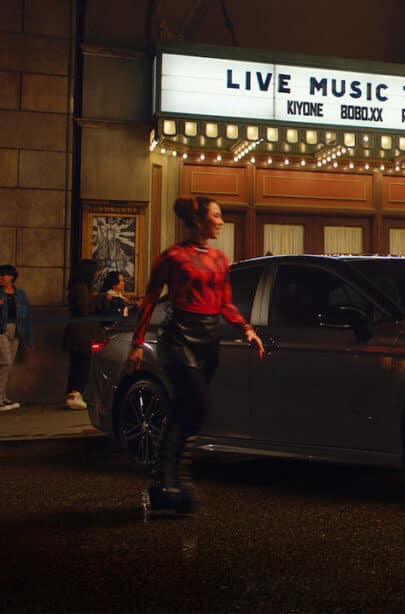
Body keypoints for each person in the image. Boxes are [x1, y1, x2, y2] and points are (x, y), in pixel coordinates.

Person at [128, 196, 264, 515]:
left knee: (184, 409)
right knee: (198, 404)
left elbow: (225, 302)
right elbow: (149, 299)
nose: (221, 221)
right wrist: (137, 342)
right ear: (198, 220)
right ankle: (176, 477)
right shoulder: (173, 257)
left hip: (208, 337)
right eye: (216, 216)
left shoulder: (219, 258)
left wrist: (246, 328)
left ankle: (165, 480)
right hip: (177, 337)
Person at [63, 259, 100, 410]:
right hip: (81, 332)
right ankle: (76, 392)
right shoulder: (81, 288)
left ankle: (74, 393)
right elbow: (86, 309)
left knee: (77, 363)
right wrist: (100, 300)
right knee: (82, 363)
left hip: (78, 331)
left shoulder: (77, 287)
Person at [0, 264, 33, 412]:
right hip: (2, 329)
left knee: (8, 365)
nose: (1, 278)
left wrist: (29, 338)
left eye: (4, 275)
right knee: (5, 362)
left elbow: (26, 317)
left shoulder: (20, 294)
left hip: (17, 330)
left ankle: (2, 395)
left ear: (12, 277)